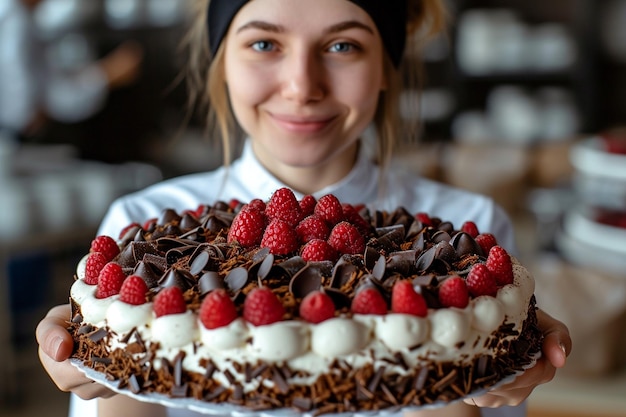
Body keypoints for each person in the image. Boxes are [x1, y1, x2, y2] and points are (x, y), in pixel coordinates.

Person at [36, 1, 572, 417]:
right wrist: (110, 363)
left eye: (342, 46)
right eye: (265, 42)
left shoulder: (473, 235)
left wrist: (473, 363)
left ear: (386, 65)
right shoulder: (137, 226)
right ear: (222, 60)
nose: (301, 86)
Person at [0, 0, 143, 140]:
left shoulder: (23, 18)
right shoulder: (13, 20)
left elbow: (45, 85)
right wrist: (106, 76)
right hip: (17, 134)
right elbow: (28, 99)